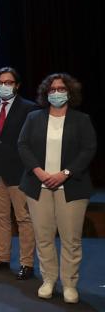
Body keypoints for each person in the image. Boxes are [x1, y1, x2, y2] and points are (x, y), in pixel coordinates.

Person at [18, 73, 96, 304]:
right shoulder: (34, 118)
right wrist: (39, 172)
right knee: (43, 237)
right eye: (52, 89)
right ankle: (49, 280)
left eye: (61, 89)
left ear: (70, 93)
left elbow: (88, 149)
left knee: (71, 239)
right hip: (38, 186)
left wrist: (65, 174)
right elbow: (22, 145)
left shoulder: (82, 120)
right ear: (46, 93)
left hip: (71, 187)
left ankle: (70, 284)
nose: (56, 93)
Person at [0, 67, 37, 279]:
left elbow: (32, 143)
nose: (3, 86)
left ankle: (27, 263)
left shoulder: (30, 109)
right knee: (0, 217)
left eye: (8, 82)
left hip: (20, 172)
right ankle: (3, 257)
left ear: (17, 85)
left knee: (24, 218)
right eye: (0, 82)